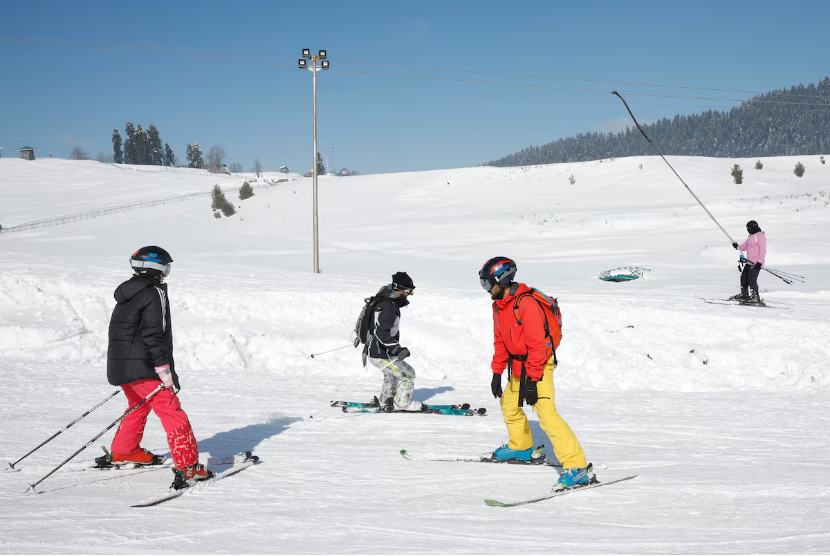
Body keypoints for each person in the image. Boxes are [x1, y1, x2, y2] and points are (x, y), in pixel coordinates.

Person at [99, 246, 212, 490]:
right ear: (157, 269)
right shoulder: (153, 292)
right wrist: (164, 370)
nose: (166, 274)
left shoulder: (128, 292)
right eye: (166, 268)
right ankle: (189, 466)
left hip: (122, 367)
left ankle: (125, 450)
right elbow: (154, 335)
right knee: (173, 411)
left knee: (138, 406)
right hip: (145, 367)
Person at [480, 257, 594, 491]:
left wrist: (532, 380)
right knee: (509, 405)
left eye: (487, 283)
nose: (486, 289)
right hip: (519, 367)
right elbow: (500, 340)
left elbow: (537, 345)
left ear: (501, 279)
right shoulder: (498, 305)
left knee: (547, 414)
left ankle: (577, 467)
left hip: (538, 365)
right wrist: (496, 371)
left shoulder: (527, 304)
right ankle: (520, 446)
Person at [363, 272, 424, 412]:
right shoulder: (389, 306)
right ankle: (402, 404)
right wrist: (397, 349)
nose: (410, 294)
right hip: (380, 352)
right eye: (409, 291)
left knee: (392, 374)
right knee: (408, 374)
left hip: (377, 350)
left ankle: (386, 402)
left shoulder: (385, 301)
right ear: (399, 289)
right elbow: (381, 332)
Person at [731, 220, 767, 304]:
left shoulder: (760, 236)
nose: (748, 229)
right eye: (747, 228)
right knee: (743, 278)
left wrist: (760, 262)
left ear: (754, 227)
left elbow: (763, 250)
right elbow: (744, 247)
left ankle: (755, 297)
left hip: (756, 263)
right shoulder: (751, 237)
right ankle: (744, 294)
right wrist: (737, 246)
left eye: (749, 228)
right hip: (749, 262)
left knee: (752, 280)